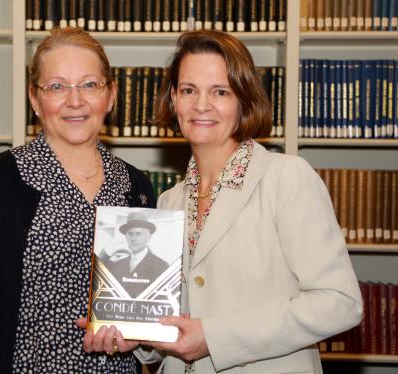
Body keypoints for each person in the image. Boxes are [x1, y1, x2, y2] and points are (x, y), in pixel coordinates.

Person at [79, 29, 363, 373]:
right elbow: (174, 324)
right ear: (173, 99)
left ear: (243, 100)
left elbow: (340, 303)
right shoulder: (170, 203)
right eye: (188, 90)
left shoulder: (286, 179)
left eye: (220, 92)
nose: (201, 105)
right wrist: (139, 338)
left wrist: (213, 337)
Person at [0, 27, 155, 374]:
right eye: (57, 86)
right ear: (35, 99)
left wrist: (139, 337)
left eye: (89, 84)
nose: (75, 100)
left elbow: (146, 312)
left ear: (111, 94)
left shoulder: (136, 186)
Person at [105, 211, 169, 298]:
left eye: (138, 234)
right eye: (130, 234)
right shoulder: (118, 264)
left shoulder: (162, 266)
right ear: (126, 237)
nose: (133, 238)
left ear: (149, 237)